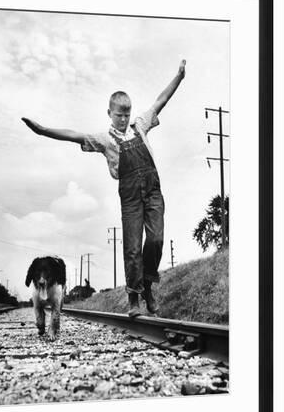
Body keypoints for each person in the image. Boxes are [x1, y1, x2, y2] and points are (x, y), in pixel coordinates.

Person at [22, 60, 186, 317]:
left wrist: (179, 77)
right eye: (119, 114)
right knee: (132, 247)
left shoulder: (140, 125)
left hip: (153, 190)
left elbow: (160, 101)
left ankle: (147, 284)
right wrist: (43, 131)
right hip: (130, 196)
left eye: (127, 114)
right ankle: (134, 298)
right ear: (109, 113)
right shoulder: (104, 139)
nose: (123, 119)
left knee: (156, 239)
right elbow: (73, 134)